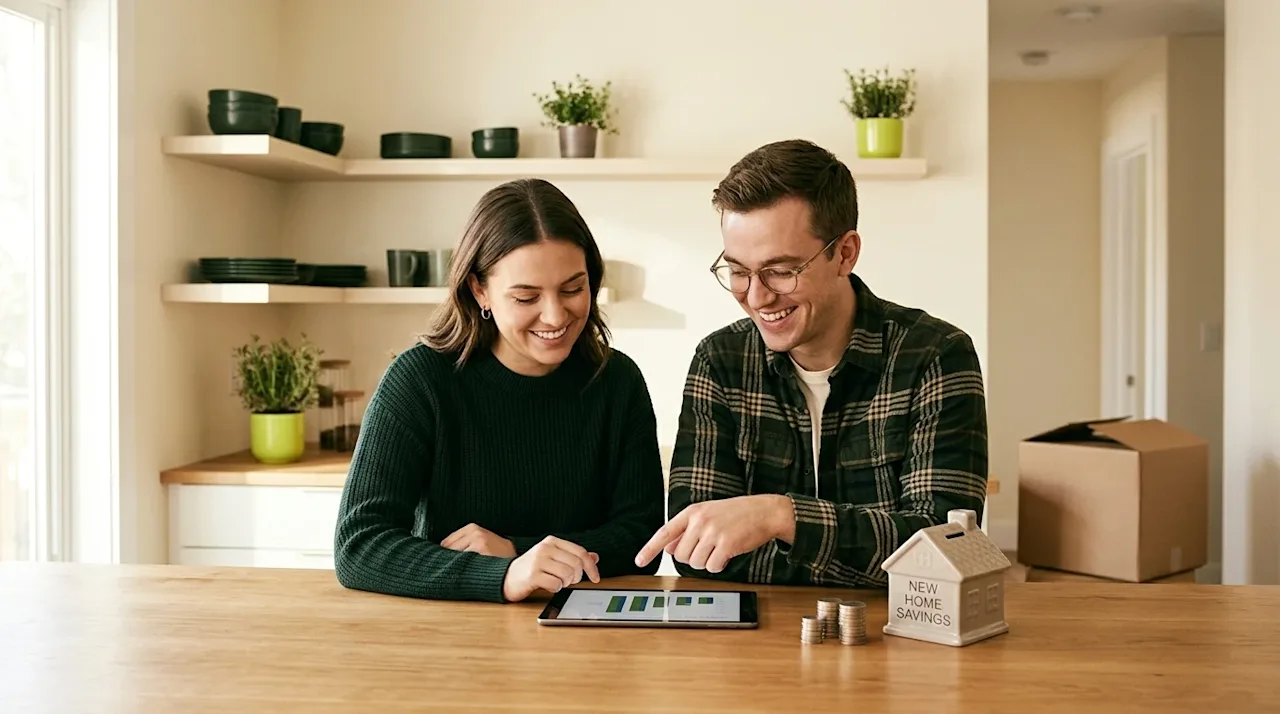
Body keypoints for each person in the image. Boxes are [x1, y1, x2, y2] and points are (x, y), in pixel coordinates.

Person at [634, 139, 988, 587]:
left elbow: (943, 550)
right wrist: (868, 553)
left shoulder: (936, 356)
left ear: (845, 253)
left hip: (897, 628)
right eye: (738, 271)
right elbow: (697, 552)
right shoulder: (719, 361)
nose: (757, 297)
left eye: (781, 271)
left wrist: (781, 517)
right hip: (762, 629)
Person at [334, 178, 665, 603]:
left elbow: (641, 540)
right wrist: (502, 576)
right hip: (451, 628)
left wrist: (516, 550)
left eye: (573, 289)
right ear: (480, 290)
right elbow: (360, 545)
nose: (555, 315)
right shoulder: (420, 380)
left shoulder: (617, 382)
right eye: (526, 297)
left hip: (582, 627)